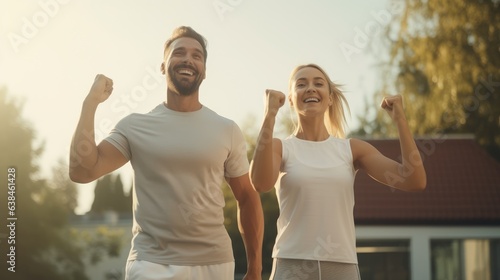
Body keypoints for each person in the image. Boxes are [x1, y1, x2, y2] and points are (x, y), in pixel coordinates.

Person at [69, 26, 264, 280]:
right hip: (150, 264)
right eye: (179, 52)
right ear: (163, 66)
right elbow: (82, 171)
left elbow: (247, 198)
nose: (188, 59)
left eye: (197, 55)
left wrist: (255, 268)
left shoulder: (226, 129)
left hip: (214, 264)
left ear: (204, 70)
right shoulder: (134, 126)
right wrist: (90, 103)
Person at [249, 63, 426, 280]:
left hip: (342, 266)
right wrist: (269, 115)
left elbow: (414, 180)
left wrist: (400, 121)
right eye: (301, 84)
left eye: (319, 83)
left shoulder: (352, 150)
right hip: (292, 265)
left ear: (330, 98)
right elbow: (260, 182)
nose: (311, 88)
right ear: (292, 99)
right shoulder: (280, 148)